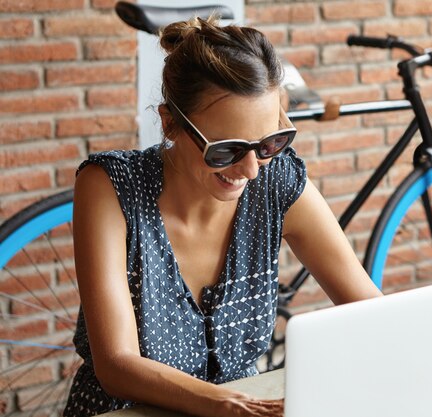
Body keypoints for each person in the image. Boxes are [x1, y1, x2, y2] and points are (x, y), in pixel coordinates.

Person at [64, 15, 382, 417]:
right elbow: (117, 365)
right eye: (226, 150)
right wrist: (225, 403)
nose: (250, 170)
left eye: (268, 143)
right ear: (170, 123)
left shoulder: (276, 181)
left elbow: (373, 314)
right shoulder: (109, 187)